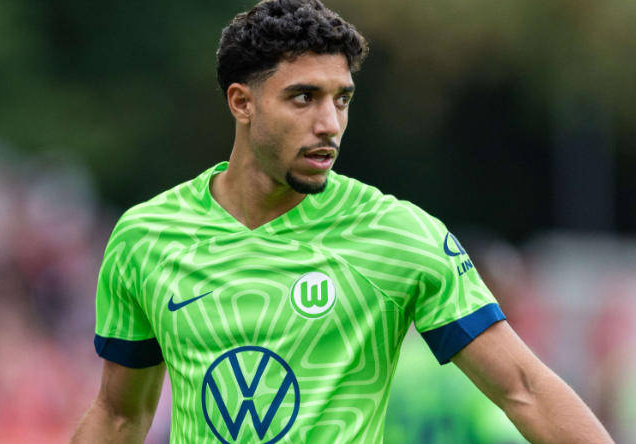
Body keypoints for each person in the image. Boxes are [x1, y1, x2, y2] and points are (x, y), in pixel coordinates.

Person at [71, 1, 613, 442]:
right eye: (304, 97)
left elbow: (525, 390)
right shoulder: (147, 238)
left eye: (342, 99)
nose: (329, 123)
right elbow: (120, 416)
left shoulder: (397, 235)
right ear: (242, 102)